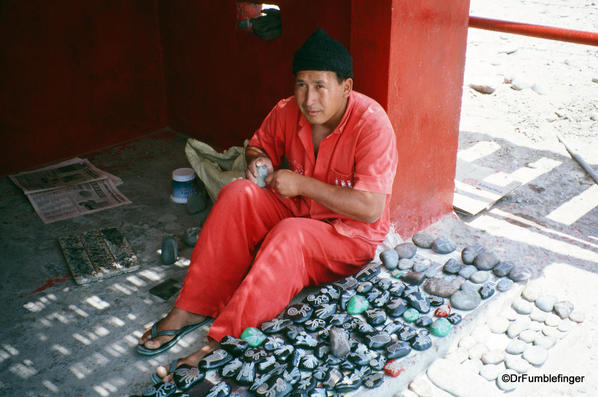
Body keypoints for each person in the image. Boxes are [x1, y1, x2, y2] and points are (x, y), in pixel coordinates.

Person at [137, 28, 398, 381]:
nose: (309, 99)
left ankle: (223, 341)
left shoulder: (372, 124)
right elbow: (258, 146)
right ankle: (192, 308)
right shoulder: (287, 111)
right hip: (297, 210)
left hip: (346, 236)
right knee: (236, 194)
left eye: (320, 85)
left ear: (346, 87)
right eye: (301, 85)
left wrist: (302, 183)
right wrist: (257, 161)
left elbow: (370, 208)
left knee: (291, 235)